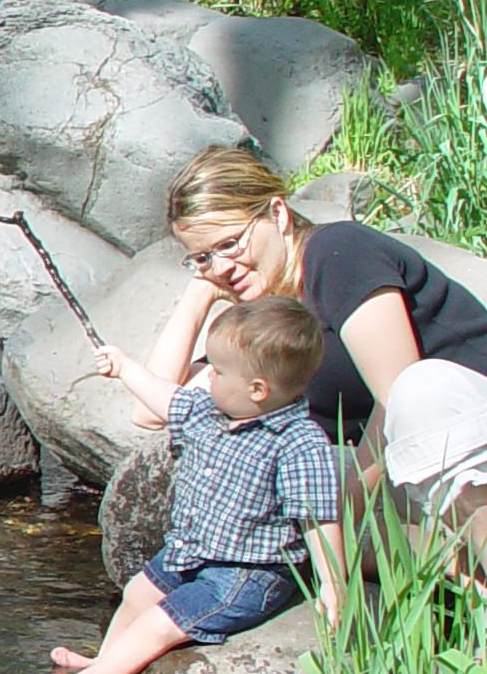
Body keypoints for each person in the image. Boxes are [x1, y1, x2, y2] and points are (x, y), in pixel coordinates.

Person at [145, 144, 487, 556]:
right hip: (413, 473)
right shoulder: (271, 323)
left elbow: (396, 398)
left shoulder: (338, 253)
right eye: (202, 257)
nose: (221, 268)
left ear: (278, 214)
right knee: (275, 513)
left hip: (460, 428)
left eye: (231, 243)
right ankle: (459, 570)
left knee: (416, 392)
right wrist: (198, 293)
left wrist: (336, 514)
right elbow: (153, 408)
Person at [32, 295, 345, 674]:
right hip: (190, 551)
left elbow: (317, 518)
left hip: (244, 573)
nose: (208, 377)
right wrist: (126, 368)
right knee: (137, 595)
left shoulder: (297, 443)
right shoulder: (208, 412)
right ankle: (104, 662)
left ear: (257, 389)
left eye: (217, 371)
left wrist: (332, 585)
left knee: (160, 622)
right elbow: (165, 396)